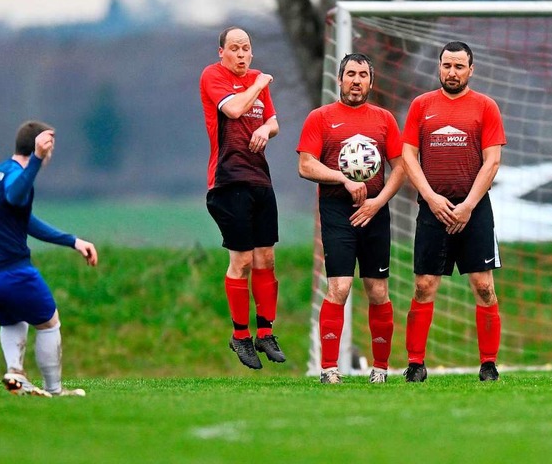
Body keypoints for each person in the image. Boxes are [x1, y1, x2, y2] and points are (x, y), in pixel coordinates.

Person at [0, 120, 98, 397]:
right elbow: (15, 193)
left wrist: (72, 241)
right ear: (39, 147)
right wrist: (36, 160)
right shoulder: (18, 176)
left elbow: (24, 221)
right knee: (49, 322)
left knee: (13, 320)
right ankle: (55, 390)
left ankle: (15, 374)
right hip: (8, 272)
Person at [401, 41, 506, 382]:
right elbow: (407, 156)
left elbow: (492, 161)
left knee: (484, 286)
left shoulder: (486, 107)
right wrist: (430, 197)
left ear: (471, 70)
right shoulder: (421, 105)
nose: (452, 72)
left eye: (459, 66)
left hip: (474, 210)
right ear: (439, 67)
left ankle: (488, 364)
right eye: (447, 65)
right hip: (434, 209)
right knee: (424, 285)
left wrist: (469, 205)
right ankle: (415, 363)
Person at [297, 53, 405, 384]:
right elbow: (305, 165)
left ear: (371, 82)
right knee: (340, 287)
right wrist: (343, 179)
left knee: (377, 290)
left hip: (375, 210)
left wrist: (377, 202)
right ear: (339, 79)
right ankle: (329, 369)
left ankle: (381, 369)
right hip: (336, 210)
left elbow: (401, 167)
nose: (356, 80)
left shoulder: (384, 119)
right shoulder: (320, 118)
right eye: (350, 74)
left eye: (362, 75)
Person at [199, 26, 285, 370]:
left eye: (246, 48)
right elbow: (234, 110)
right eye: (234, 48)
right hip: (227, 182)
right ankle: (240, 336)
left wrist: (265, 128)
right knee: (244, 262)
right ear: (221, 51)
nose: (241, 54)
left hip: (260, 180)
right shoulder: (213, 76)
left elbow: (273, 121)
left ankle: (265, 332)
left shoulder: (254, 80)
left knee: (267, 258)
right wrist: (259, 85)